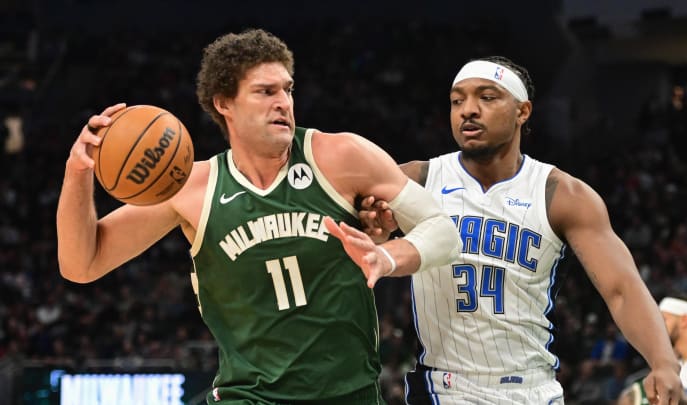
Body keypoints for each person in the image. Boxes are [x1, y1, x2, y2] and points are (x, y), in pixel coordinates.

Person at [56, 28, 461, 404]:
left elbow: (443, 230)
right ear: (223, 103)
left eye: (287, 89)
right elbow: (81, 263)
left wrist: (386, 257)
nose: (282, 102)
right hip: (246, 396)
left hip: (348, 393)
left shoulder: (342, 157)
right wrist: (77, 173)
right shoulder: (191, 188)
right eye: (265, 91)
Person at [359, 56, 683, 404]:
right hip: (444, 386)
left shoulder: (562, 195)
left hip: (533, 388)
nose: (468, 110)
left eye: (487, 97)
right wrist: (376, 231)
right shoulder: (414, 180)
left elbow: (621, 289)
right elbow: (361, 239)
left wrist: (664, 362)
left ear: (522, 111)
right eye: (457, 100)